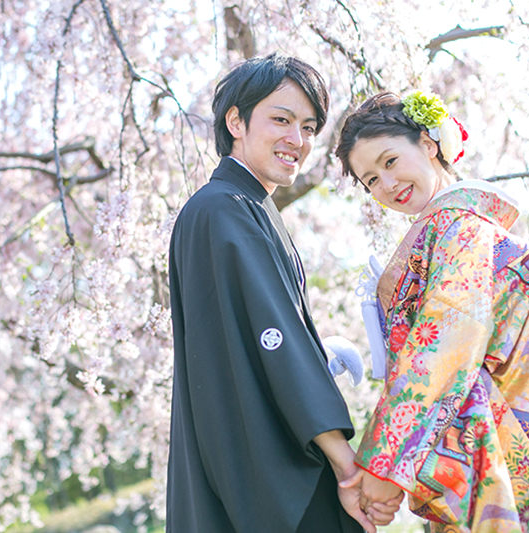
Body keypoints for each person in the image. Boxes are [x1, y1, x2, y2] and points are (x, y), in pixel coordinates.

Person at [166, 53, 402, 533]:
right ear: (236, 121)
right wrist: (346, 463)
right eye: (281, 120)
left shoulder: (237, 205)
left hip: (247, 462)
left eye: (309, 127)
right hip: (267, 475)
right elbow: (274, 336)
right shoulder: (223, 209)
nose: (298, 139)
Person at [335, 91, 529, 532]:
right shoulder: (460, 230)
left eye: (390, 161)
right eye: (371, 180)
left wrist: (384, 465)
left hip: (507, 445)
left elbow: (444, 342)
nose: (386, 184)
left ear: (428, 144)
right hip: (524, 436)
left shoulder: (460, 228)